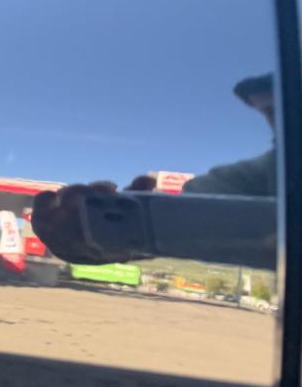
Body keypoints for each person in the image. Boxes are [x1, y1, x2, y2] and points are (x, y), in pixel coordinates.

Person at [31, 74, 276, 264]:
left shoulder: (271, 168)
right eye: (269, 113)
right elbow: (191, 216)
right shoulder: (259, 173)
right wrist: (103, 231)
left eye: (278, 111)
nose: (274, 124)